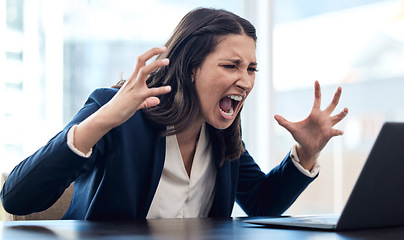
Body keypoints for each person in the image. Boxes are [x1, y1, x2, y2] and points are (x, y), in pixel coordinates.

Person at [1, 7, 348, 220]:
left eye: (252, 68)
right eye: (231, 66)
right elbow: (17, 197)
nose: (245, 81)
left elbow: (261, 204)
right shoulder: (122, 114)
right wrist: (104, 118)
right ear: (190, 68)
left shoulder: (221, 133)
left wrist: (307, 153)